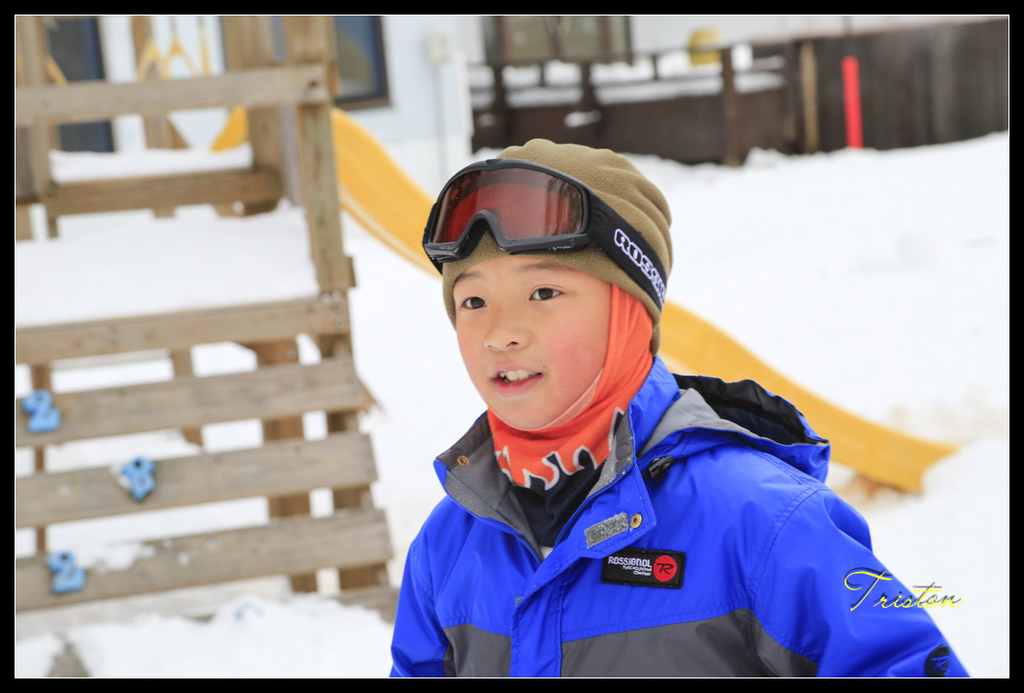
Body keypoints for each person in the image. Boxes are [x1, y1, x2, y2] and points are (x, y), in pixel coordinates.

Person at [389, 139, 967, 677]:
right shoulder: (448, 545)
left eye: (544, 293)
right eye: (473, 301)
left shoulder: (764, 524)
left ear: (629, 314)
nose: (500, 333)